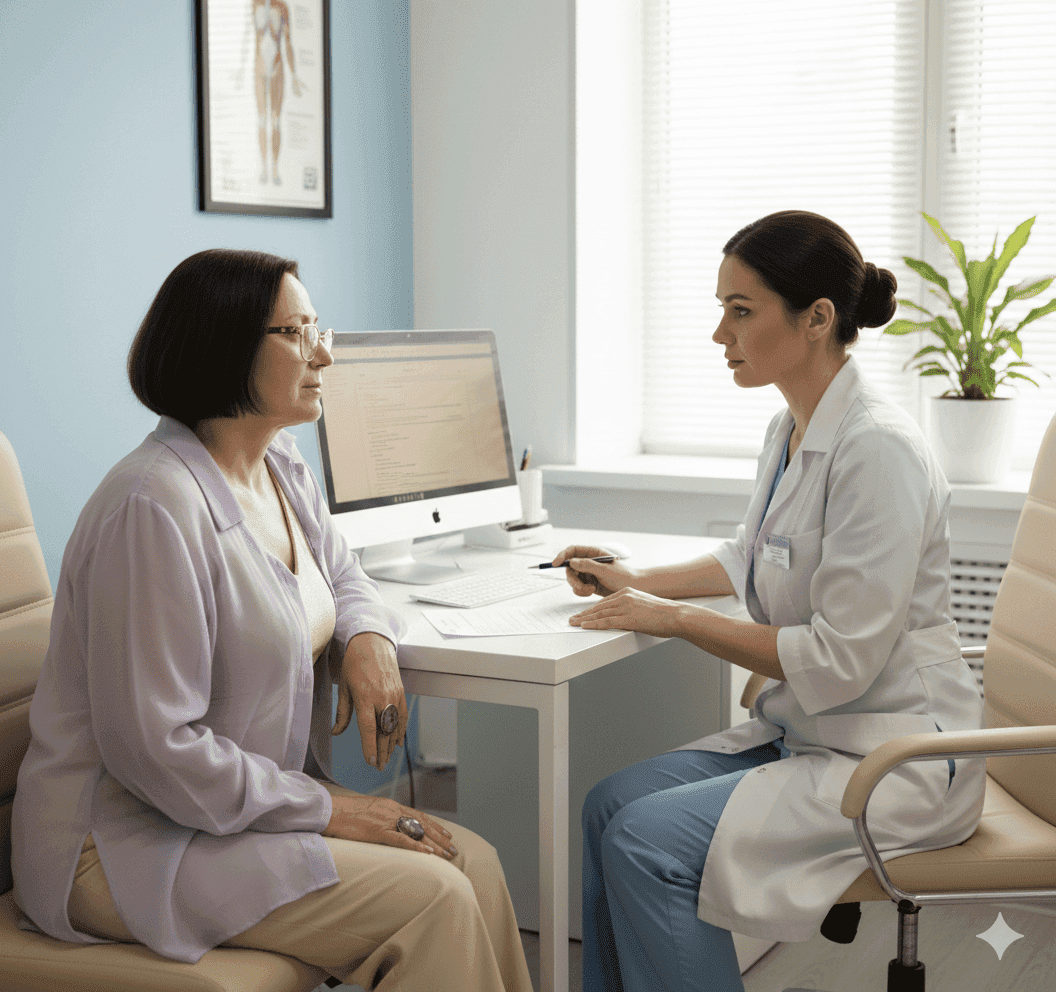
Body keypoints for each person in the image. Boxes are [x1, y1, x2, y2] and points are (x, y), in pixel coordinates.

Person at [11, 249, 533, 992]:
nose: (323, 352)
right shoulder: (152, 508)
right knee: (435, 900)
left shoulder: (279, 463)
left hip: (219, 817)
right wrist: (326, 808)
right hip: (121, 842)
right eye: (294, 333)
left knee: (470, 862)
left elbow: (342, 572)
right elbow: (155, 749)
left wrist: (367, 635)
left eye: (318, 327)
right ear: (222, 348)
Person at [555, 211, 987, 992]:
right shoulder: (790, 429)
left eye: (740, 310)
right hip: (818, 730)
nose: (720, 332)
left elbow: (838, 658)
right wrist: (640, 580)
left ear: (817, 317)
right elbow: (753, 554)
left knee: (647, 840)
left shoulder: (878, 449)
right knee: (605, 806)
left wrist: (675, 620)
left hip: (896, 758)